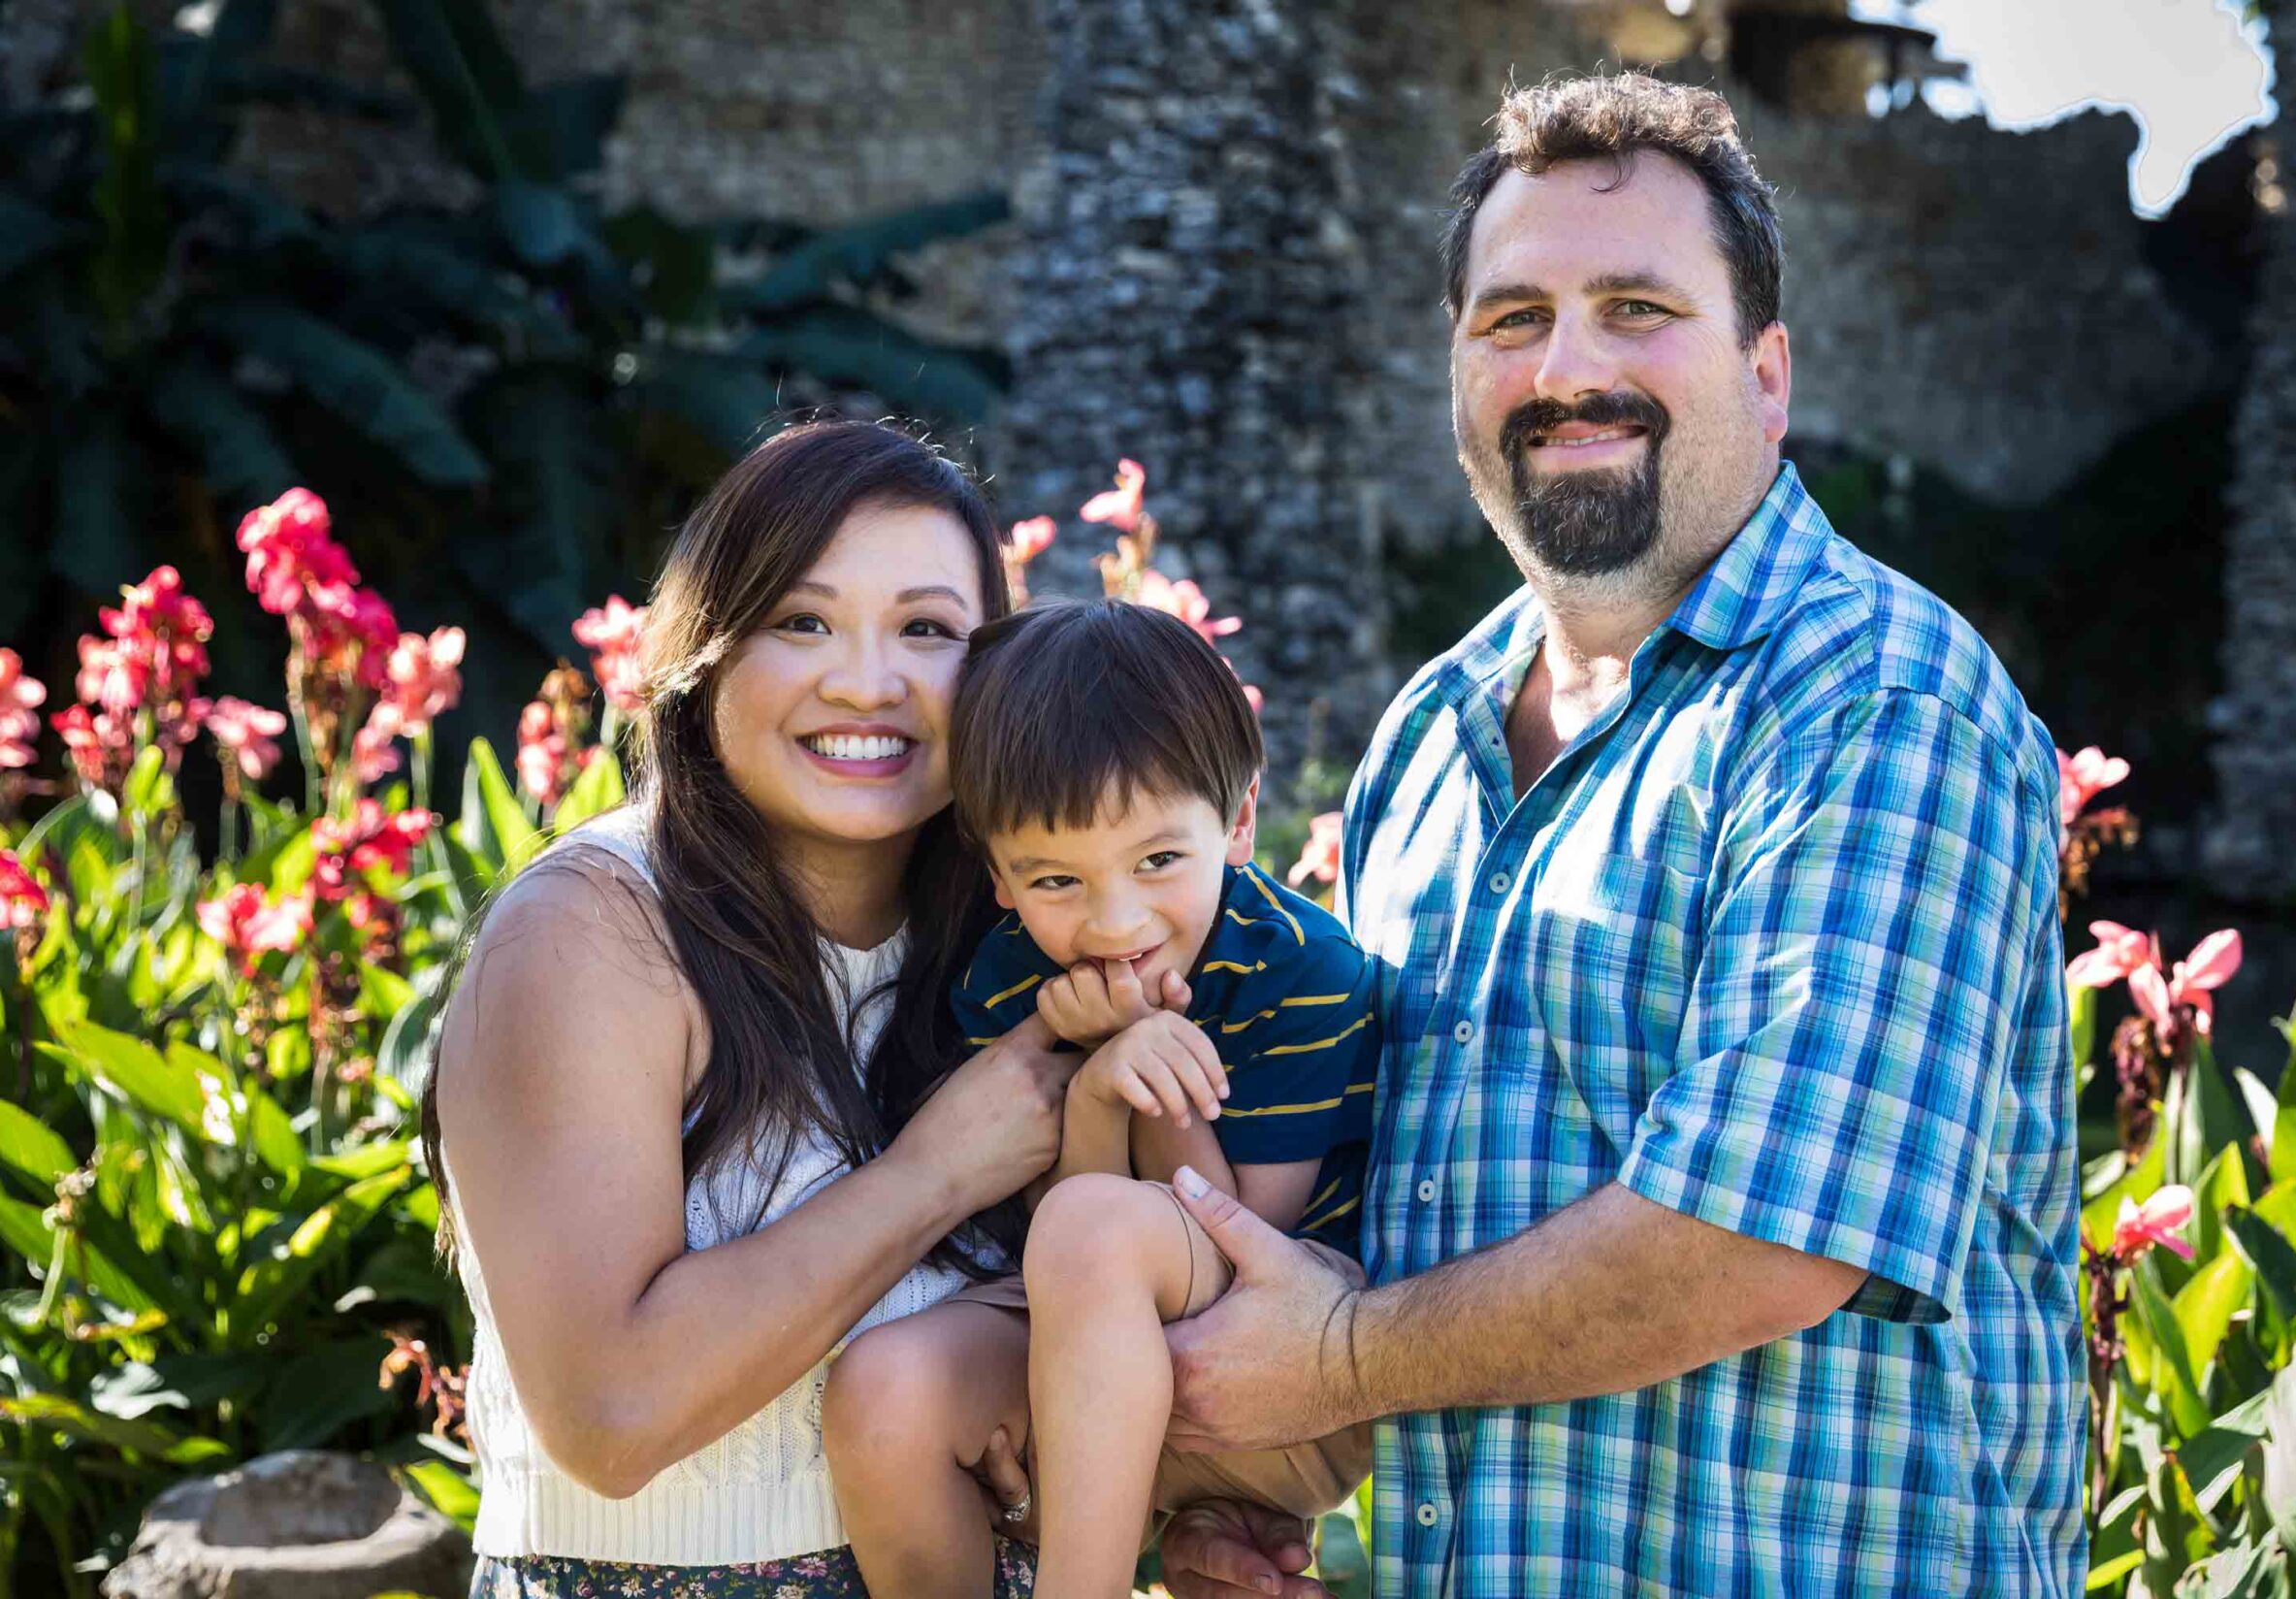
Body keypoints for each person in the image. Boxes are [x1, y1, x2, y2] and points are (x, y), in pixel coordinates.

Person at [1155, 72, 2086, 1598]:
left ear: (1767, 374)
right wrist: (1263, 1489)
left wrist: (1335, 1363)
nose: (1565, 368)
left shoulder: (1876, 704)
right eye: (1509, 320)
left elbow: (1760, 1239)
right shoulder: (1426, 740)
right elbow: (1413, 1226)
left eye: (1638, 307)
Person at [425, 420, 1068, 1599]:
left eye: (927, 629)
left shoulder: (1014, 932)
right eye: (802, 621)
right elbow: (611, 1412)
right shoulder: (595, 929)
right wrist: (934, 1173)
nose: (866, 682)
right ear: (707, 654)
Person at [821, 600, 1378, 1599]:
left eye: (1158, 860)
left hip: (1288, 1358)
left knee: (1096, 1225)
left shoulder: (1306, 971)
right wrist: (1101, 1088)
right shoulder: (1009, 974)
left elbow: (1245, 1239)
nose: (1114, 920)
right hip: (1094, 1357)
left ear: (1240, 821)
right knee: (883, 1391)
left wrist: (1144, 1066)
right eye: (1055, 878)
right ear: (996, 873)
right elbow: (1061, 1236)